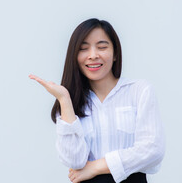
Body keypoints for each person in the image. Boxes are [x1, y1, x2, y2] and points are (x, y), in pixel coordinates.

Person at [29, 18, 165, 183]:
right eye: (83, 49)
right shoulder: (69, 102)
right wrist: (64, 99)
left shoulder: (139, 91)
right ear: (75, 56)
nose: (93, 55)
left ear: (115, 54)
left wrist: (96, 167)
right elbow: (75, 161)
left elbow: (152, 150)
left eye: (102, 47)